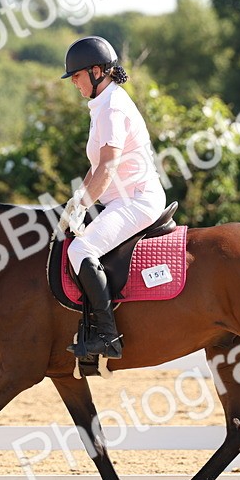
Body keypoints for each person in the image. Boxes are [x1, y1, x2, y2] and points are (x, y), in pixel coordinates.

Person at [57, 36, 167, 360]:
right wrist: (77, 202)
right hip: (119, 198)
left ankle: (108, 336)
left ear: (95, 71)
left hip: (136, 199)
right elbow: (96, 169)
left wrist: (82, 206)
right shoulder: (102, 104)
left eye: (76, 76)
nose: (74, 83)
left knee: (81, 249)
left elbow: (108, 165)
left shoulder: (112, 107)